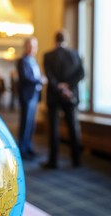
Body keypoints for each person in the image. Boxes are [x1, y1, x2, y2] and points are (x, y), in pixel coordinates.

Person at [42, 30, 84, 169]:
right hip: (70, 96)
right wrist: (69, 87)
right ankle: (76, 160)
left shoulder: (48, 56)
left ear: (55, 40)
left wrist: (60, 87)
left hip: (54, 96)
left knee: (54, 129)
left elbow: (49, 76)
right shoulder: (75, 54)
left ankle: (53, 161)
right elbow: (81, 74)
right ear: (67, 39)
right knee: (73, 127)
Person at [17, 37, 44, 160]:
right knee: (25, 123)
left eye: (34, 46)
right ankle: (22, 149)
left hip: (35, 95)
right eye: (30, 46)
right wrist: (40, 80)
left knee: (31, 123)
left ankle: (28, 147)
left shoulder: (34, 60)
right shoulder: (22, 61)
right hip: (27, 96)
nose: (32, 49)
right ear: (26, 47)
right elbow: (26, 78)